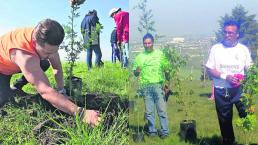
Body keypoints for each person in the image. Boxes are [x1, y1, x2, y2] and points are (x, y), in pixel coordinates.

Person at [0, 19, 100, 127]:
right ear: (34, 42)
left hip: (16, 62)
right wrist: (81, 113)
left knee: (44, 63)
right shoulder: (25, 56)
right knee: (6, 100)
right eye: (47, 52)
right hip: (2, 67)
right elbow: (45, 91)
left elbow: (56, 67)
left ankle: (17, 86)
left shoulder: (45, 40)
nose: (50, 56)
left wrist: (62, 91)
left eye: (54, 51)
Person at [206, 20, 253, 145]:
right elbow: (210, 69)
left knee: (247, 115)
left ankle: (247, 140)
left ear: (237, 34)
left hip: (240, 90)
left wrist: (248, 78)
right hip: (221, 89)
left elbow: (250, 69)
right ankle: (228, 141)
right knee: (224, 120)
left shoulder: (243, 49)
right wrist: (225, 76)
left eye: (231, 33)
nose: (227, 35)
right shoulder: (216, 48)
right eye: (225, 32)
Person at [133, 33, 170, 139]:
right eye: (145, 43)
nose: (147, 45)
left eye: (149, 43)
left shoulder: (160, 54)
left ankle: (165, 132)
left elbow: (166, 69)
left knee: (162, 110)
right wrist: (137, 71)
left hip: (158, 85)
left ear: (152, 43)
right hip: (146, 86)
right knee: (149, 112)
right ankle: (152, 132)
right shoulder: (139, 57)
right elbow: (135, 73)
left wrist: (167, 83)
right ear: (143, 44)